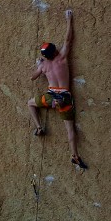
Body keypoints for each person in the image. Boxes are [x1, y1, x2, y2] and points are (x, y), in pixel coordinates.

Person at [27, 9, 87, 169]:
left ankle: (39, 127)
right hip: (64, 97)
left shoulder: (44, 65)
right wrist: (69, 19)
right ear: (55, 51)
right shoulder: (61, 58)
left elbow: (33, 77)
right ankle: (75, 155)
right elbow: (68, 40)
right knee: (70, 129)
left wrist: (38, 65)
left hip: (50, 95)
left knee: (30, 103)